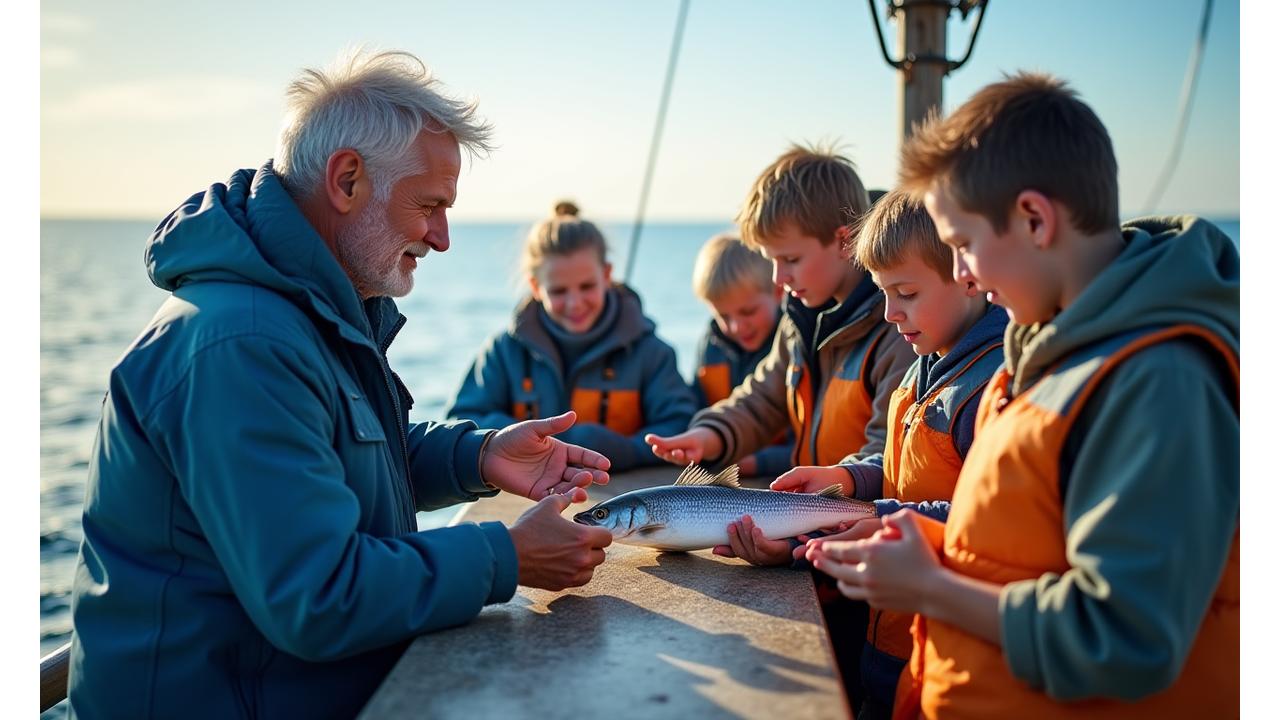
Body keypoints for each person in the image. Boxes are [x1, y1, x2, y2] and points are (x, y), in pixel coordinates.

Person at [67, 49, 616, 720]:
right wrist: (505, 554)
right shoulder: (240, 344)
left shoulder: (302, 309)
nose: (441, 238)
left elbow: (335, 460)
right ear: (347, 178)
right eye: (429, 206)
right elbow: (316, 595)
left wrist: (477, 455)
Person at [807, 72, 1239, 719]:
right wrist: (904, 535)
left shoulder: (1158, 379)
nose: (961, 274)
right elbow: (1019, 539)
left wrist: (932, 589)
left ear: (1035, 219)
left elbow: (1126, 638)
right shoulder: (1049, 352)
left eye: (962, 246)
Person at [647, 145, 916, 711]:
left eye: (788, 260)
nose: (777, 277)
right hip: (809, 554)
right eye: (770, 260)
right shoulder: (800, 322)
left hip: (860, 562)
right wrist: (710, 436)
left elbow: (886, 460)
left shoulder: (897, 331)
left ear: (844, 242)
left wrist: (792, 542)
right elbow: (762, 398)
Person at [727, 190, 1006, 719]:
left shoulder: (990, 386)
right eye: (882, 292)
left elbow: (981, 517)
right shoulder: (924, 365)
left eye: (904, 292)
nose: (889, 312)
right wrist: (849, 479)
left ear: (968, 274)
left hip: (950, 658)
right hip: (889, 647)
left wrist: (873, 517)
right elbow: (907, 474)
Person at [447, 202, 696, 472]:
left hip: (621, 500)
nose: (574, 303)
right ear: (535, 287)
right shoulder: (503, 351)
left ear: (607, 275)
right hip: (523, 498)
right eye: (558, 291)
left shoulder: (652, 353)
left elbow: (679, 427)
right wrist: (528, 441)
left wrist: (620, 450)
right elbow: (462, 423)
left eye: (587, 286)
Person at [688, 231, 790, 478]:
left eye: (748, 311)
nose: (736, 326)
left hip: (781, 479)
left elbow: (807, 441)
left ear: (778, 292)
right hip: (723, 474)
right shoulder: (710, 347)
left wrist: (756, 463)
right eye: (723, 316)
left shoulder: (791, 345)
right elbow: (698, 406)